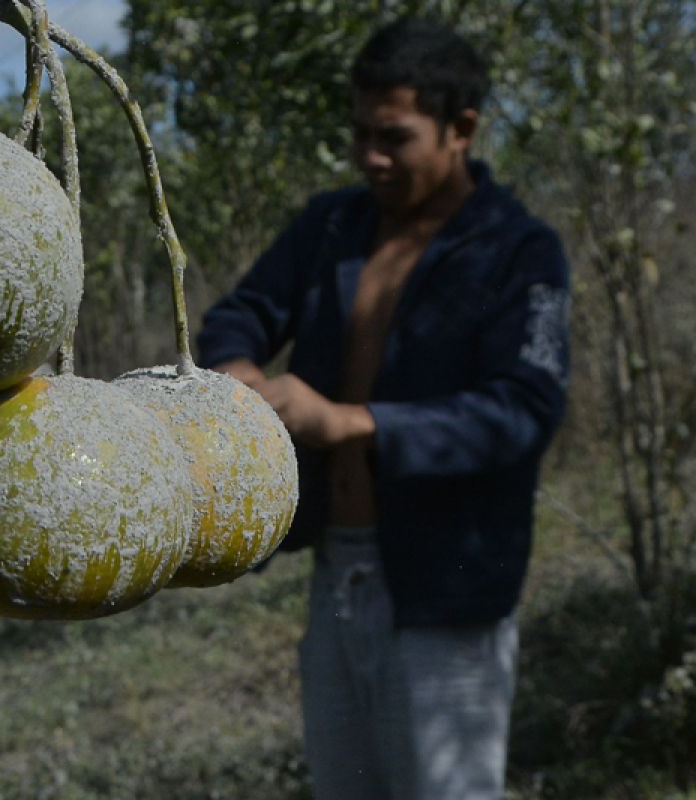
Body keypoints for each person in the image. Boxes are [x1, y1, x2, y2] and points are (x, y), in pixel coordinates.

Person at [196, 16, 570, 800]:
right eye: (360, 133)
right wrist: (238, 383)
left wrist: (351, 423)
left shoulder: (518, 252)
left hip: (449, 590)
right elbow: (240, 314)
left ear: (460, 128)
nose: (370, 156)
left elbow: (524, 410)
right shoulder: (332, 225)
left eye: (393, 138)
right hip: (339, 574)